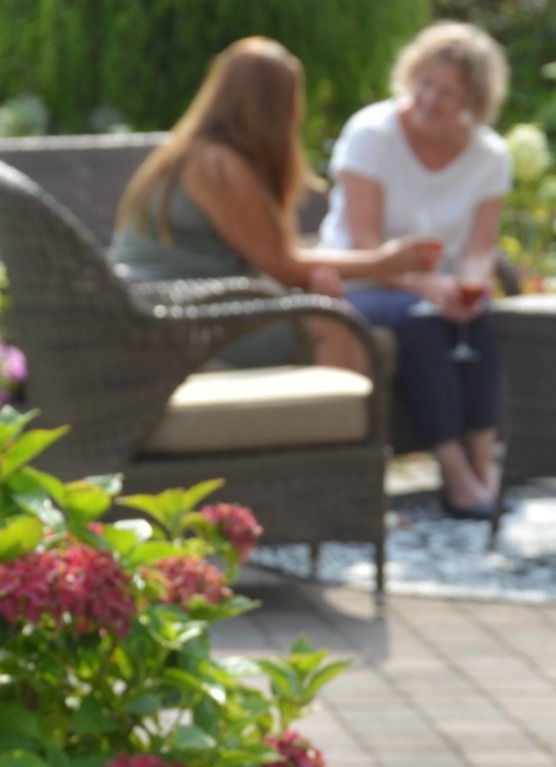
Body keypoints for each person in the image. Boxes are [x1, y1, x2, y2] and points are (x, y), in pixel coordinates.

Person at [111, 37, 433, 374]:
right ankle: (337, 427)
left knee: (331, 314)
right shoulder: (220, 166)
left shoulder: (198, 151)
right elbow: (284, 265)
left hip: (177, 303)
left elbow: (276, 255)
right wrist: (384, 262)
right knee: (335, 326)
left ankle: (327, 424)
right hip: (177, 313)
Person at [319, 22, 511, 519]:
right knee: (421, 320)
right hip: (360, 280)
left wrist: (470, 287)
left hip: (434, 287)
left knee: (479, 319)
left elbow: (480, 246)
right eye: (425, 82)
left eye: (448, 92)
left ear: (474, 99)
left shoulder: (490, 155)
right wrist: (430, 287)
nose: (430, 98)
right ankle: (453, 469)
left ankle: (484, 463)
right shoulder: (372, 133)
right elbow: (364, 241)